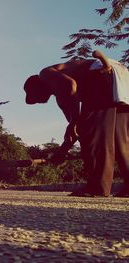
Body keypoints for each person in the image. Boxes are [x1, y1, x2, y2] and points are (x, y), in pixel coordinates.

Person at [24, 50, 129, 197]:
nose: (34, 100)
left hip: (100, 73)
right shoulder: (61, 96)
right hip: (121, 75)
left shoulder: (45, 74)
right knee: (121, 140)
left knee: (93, 136)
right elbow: (75, 131)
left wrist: (75, 122)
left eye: (31, 95)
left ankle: (97, 187)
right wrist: (61, 152)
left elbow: (70, 85)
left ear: (36, 85)